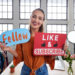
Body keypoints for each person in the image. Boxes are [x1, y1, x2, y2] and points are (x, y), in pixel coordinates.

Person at [0, 8, 68, 75]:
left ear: (42, 22)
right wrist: (9, 49)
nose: (36, 20)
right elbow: (19, 56)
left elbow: (49, 58)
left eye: (40, 18)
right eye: (34, 17)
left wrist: (59, 51)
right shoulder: (22, 37)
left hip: (42, 71)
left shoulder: (46, 38)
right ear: (30, 17)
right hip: (25, 71)